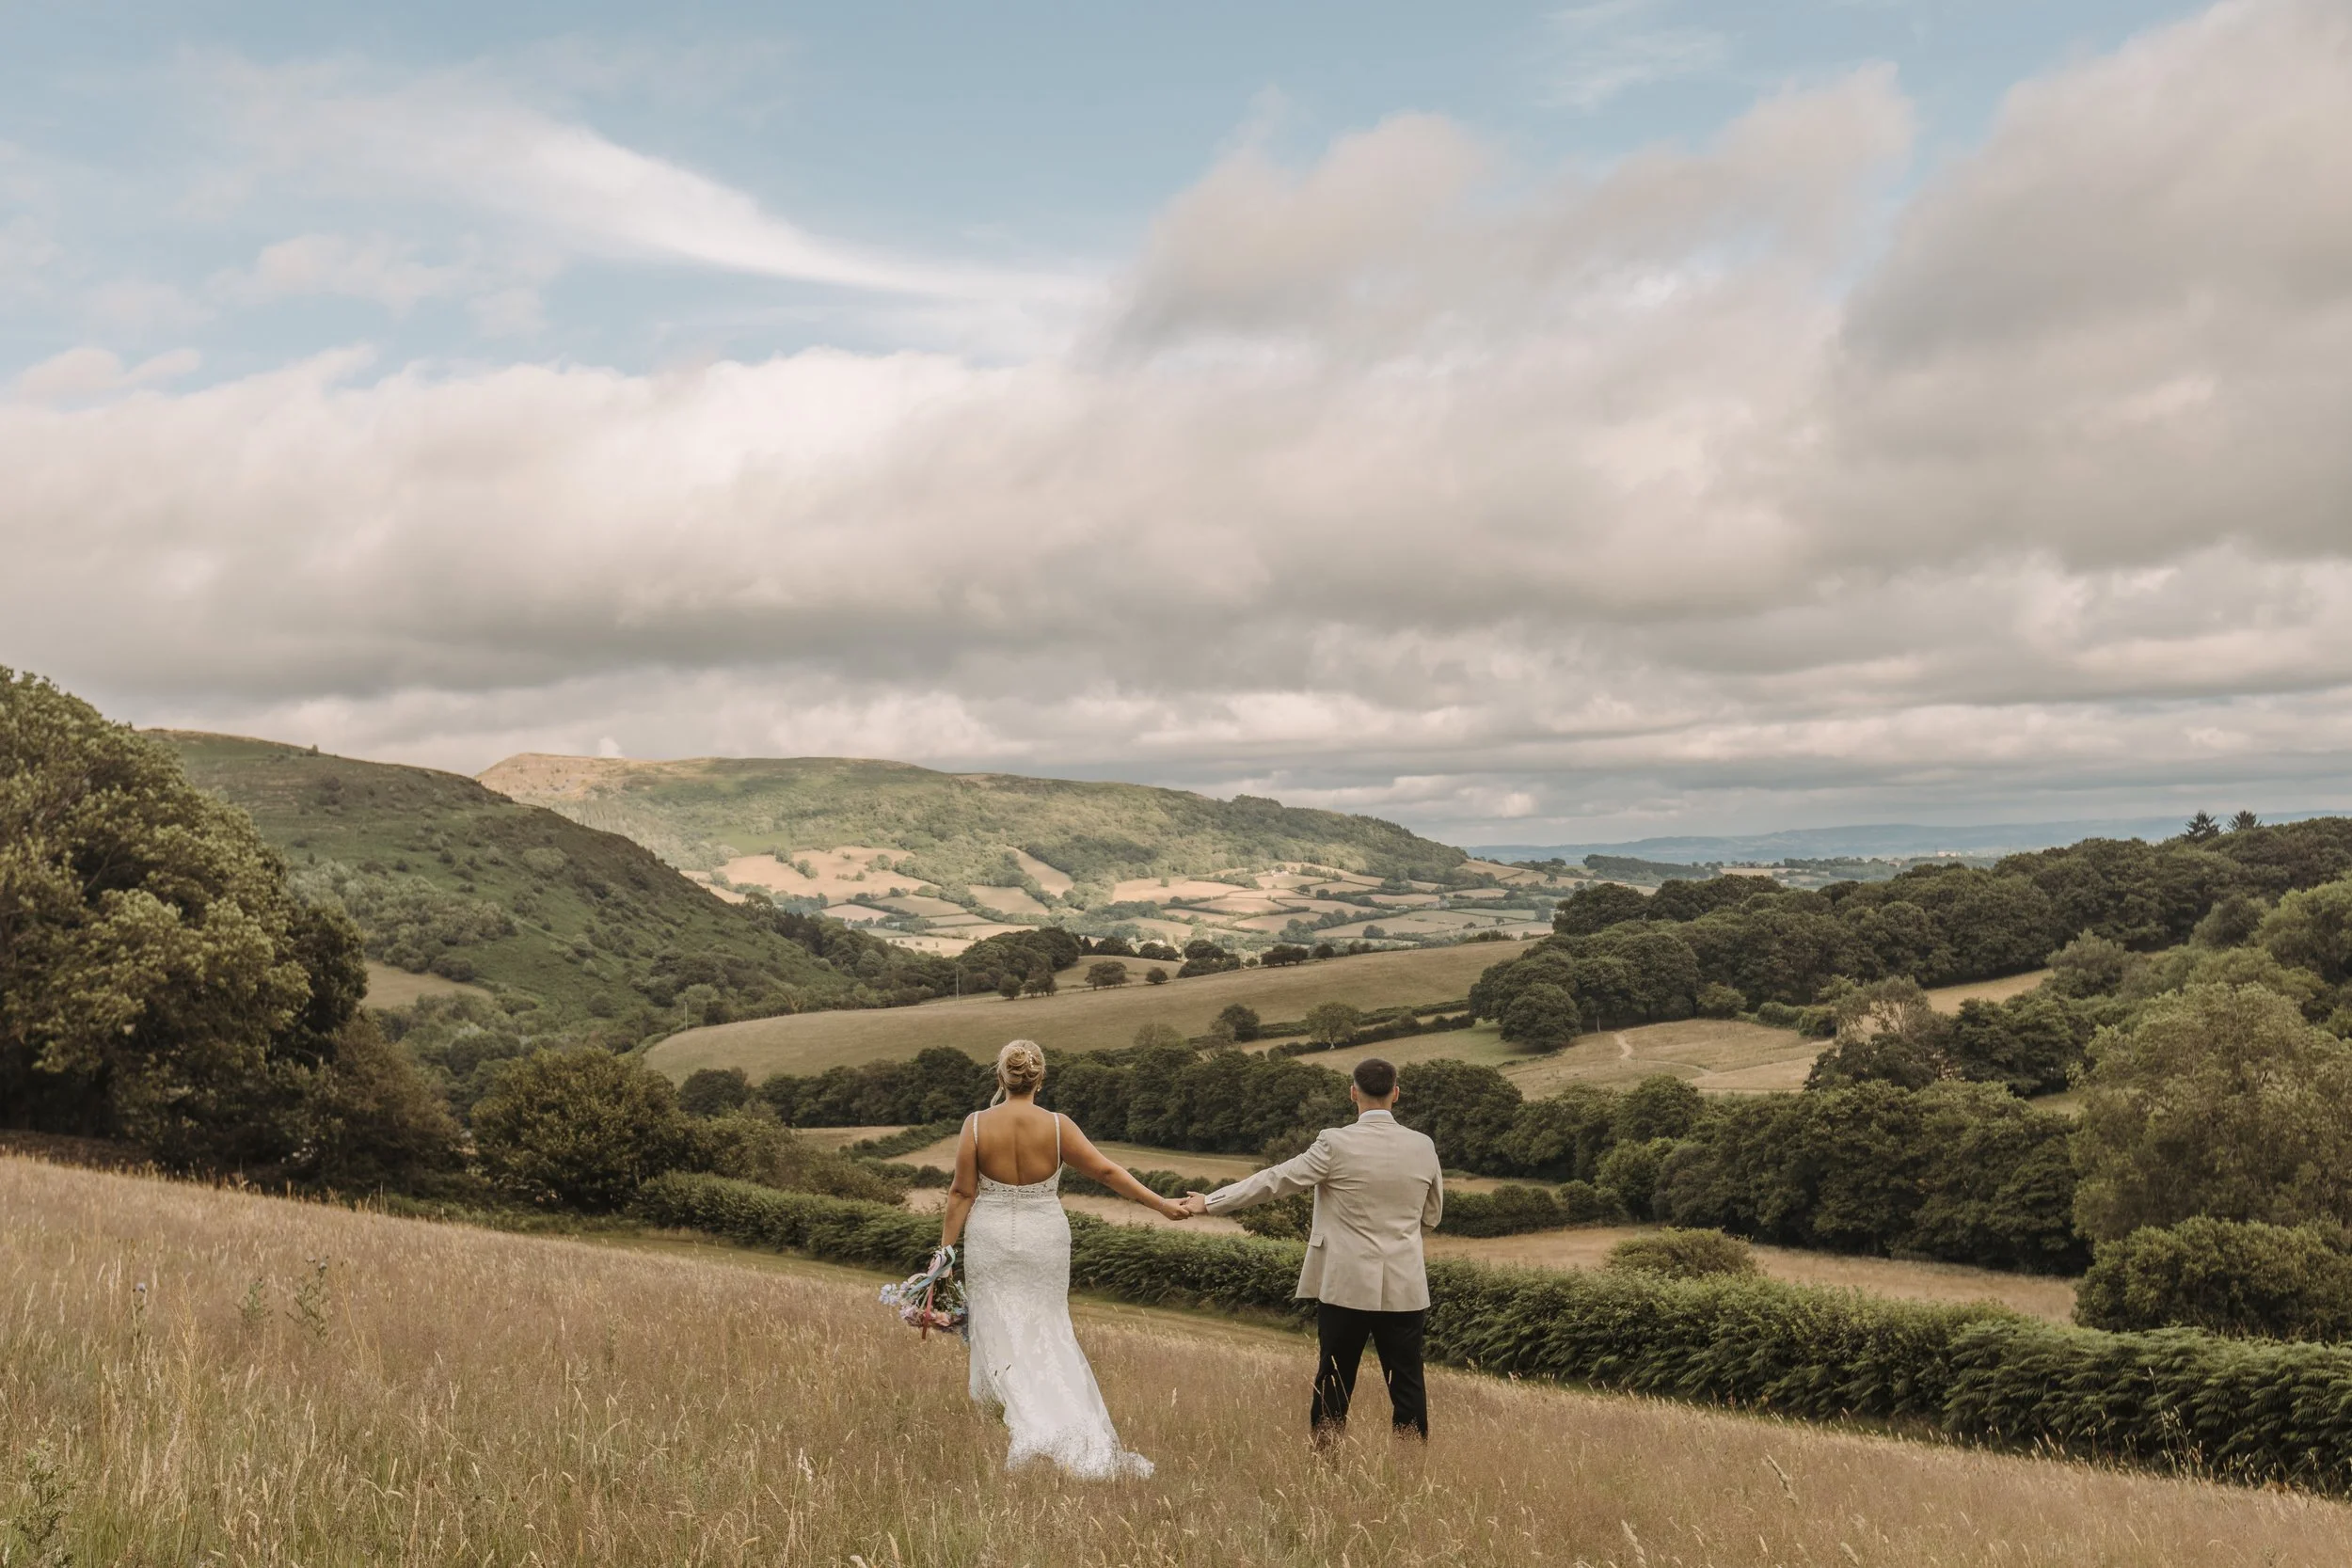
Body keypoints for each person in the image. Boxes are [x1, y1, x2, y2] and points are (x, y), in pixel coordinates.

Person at [940, 1038, 1190, 1479]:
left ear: (1001, 1076)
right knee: (1046, 1325)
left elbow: (962, 1192)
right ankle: (1054, 1418)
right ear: (1040, 1078)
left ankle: (1020, 1418)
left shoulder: (976, 1125)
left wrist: (942, 1252)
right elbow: (1108, 1172)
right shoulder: (1058, 1126)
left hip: (991, 1237)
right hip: (1044, 1237)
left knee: (997, 1322)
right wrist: (1161, 1204)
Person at [1180, 1057, 1442, 1441]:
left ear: (1353, 1093)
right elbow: (1432, 1216)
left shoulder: (1334, 1142)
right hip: (1405, 1283)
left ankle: (1326, 1463)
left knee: (1334, 1375)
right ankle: (1410, 1467)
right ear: (1396, 1094)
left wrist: (1211, 1202)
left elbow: (1276, 1179)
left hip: (1344, 1282)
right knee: (1407, 1380)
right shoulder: (1423, 1145)